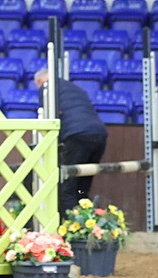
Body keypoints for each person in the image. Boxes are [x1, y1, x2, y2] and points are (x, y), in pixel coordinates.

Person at [35, 69, 109, 214]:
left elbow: (50, 117)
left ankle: (72, 224)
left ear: (39, 81)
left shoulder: (47, 88)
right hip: (99, 134)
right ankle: (88, 221)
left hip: (77, 136)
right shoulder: (75, 88)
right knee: (82, 187)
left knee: (66, 189)